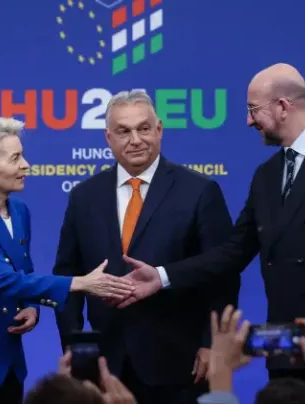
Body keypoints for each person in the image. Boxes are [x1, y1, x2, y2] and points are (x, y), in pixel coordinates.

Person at [116, 65, 305, 403]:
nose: (249, 121)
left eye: (253, 110)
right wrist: (161, 276)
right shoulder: (267, 175)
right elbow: (234, 251)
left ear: (282, 106)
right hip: (283, 346)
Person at [0, 117, 134, 404]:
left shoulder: (19, 212)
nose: (26, 165)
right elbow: (4, 279)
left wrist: (31, 307)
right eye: (15, 158)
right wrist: (81, 283)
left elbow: (22, 270)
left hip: (5, 361)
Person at [52, 90, 240, 404]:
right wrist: (73, 345)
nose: (136, 139)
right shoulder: (83, 196)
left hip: (180, 364)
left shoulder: (200, 191)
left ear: (159, 130)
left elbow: (223, 275)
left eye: (144, 128)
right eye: (124, 131)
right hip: (105, 366)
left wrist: (212, 345)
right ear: (108, 138)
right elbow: (66, 275)